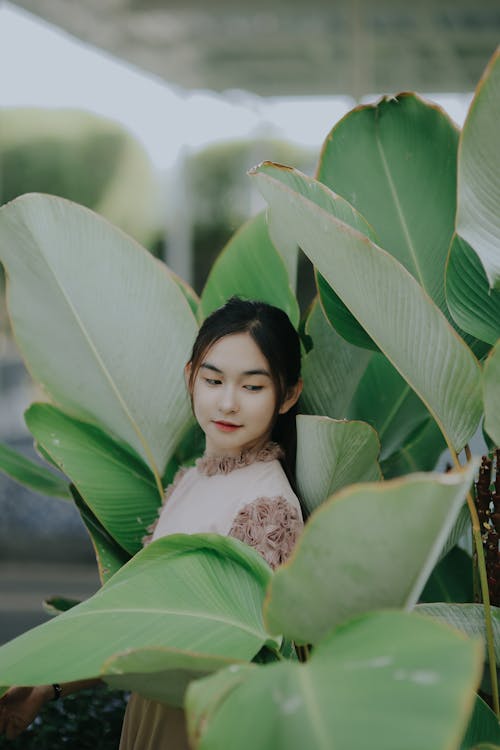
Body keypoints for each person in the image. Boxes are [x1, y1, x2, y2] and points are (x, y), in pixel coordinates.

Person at [0, 297, 304, 748]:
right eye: (213, 380)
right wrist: (51, 686)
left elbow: (239, 660)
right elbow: (143, 631)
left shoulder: (267, 507)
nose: (227, 402)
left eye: (253, 387)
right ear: (190, 379)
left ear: (288, 395)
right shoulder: (189, 480)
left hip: (206, 728)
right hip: (151, 716)